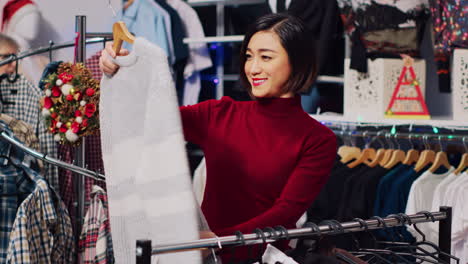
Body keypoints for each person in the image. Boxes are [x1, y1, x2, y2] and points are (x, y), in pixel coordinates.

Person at [100, 13, 337, 261]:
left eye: (265, 57)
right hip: (203, 255)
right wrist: (121, 73)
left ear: (297, 62)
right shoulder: (220, 114)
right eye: (249, 56)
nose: (253, 68)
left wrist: (218, 240)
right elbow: (146, 118)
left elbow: (286, 212)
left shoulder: (318, 139)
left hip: (258, 257)